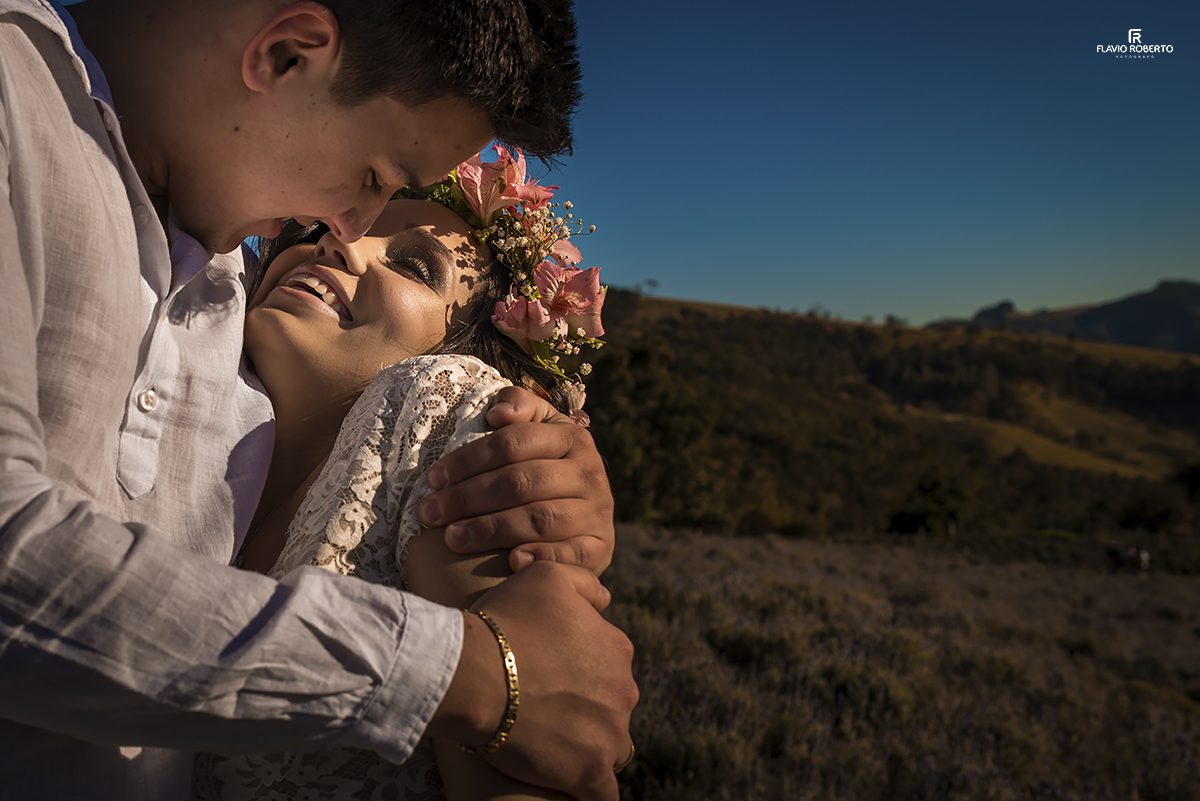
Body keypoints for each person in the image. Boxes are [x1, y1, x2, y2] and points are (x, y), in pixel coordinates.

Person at [0, 1, 635, 799]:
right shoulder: (16, 107)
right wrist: (463, 674)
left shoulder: (232, 280)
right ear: (286, 54)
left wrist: (550, 475)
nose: (339, 228)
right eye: (373, 178)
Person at [195, 146, 619, 800]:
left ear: (472, 356)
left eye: (417, 265)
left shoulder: (446, 404)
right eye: (335, 226)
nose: (344, 245)